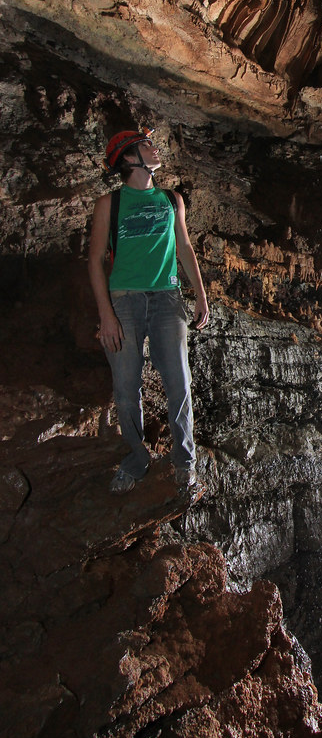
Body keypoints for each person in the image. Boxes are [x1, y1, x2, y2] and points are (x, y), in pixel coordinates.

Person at [88, 128, 209, 494]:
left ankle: (184, 463)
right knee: (126, 387)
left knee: (180, 384)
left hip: (167, 299)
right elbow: (94, 261)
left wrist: (200, 294)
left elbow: (185, 248)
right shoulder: (109, 204)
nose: (154, 148)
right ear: (129, 158)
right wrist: (106, 315)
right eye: (146, 145)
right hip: (123, 300)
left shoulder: (172, 200)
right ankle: (137, 460)